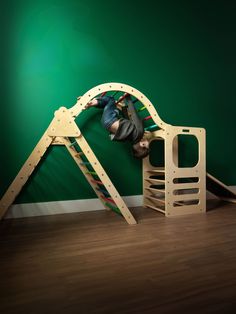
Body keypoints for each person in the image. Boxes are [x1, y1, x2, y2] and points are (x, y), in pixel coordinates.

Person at [84, 95, 151, 159]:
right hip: (106, 124)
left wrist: (128, 99)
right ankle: (95, 103)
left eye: (148, 143)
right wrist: (124, 107)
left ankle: (92, 103)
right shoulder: (131, 139)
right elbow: (128, 120)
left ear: (142, 144)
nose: (147, 141)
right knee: (112, 108)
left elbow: (134, 115)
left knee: (111, 99)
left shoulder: (140, 132)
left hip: (110, 120)